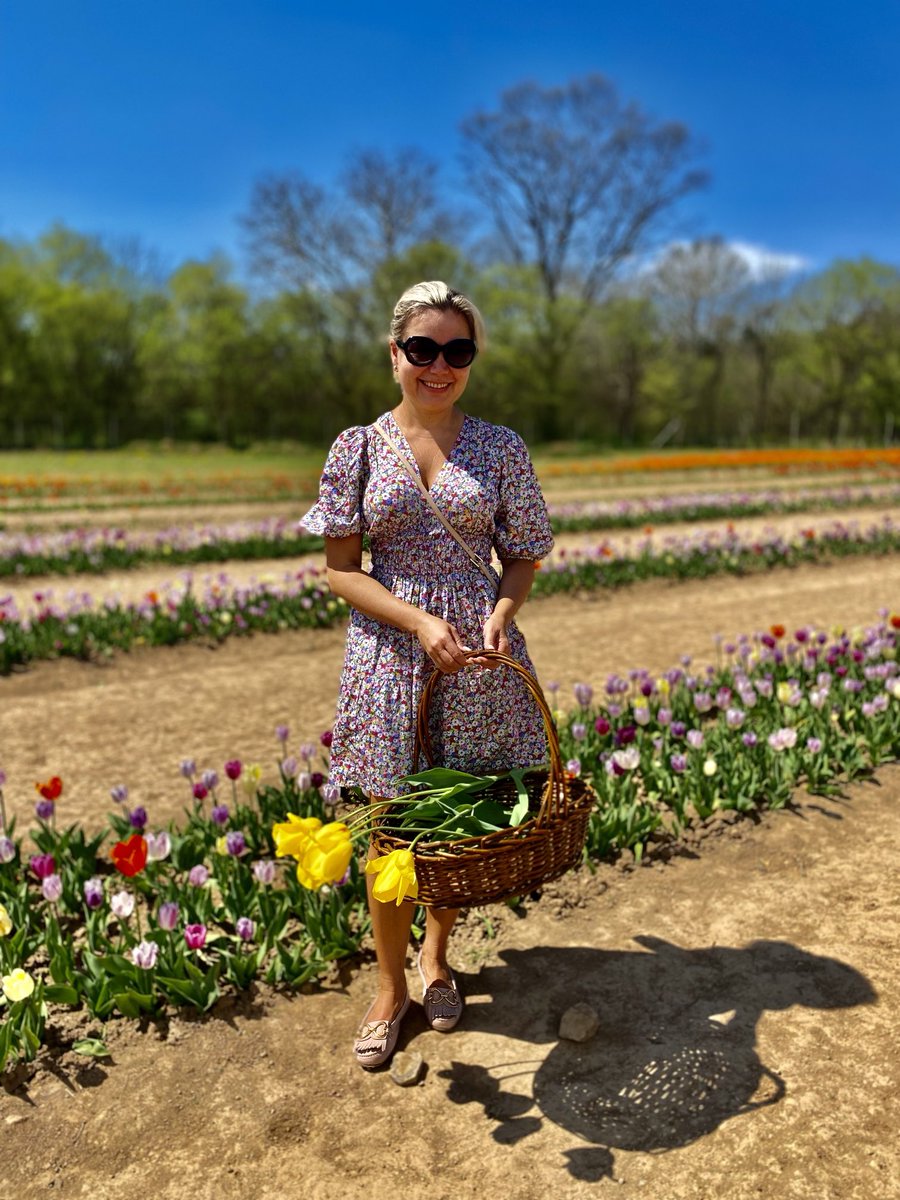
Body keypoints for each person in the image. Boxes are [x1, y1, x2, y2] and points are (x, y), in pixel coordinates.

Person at [300, 281, 554, 1068]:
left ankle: (436, 956)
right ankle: (388, 986)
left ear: (471, 359)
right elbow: (340, 570)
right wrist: (414, 619)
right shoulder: (358, 448)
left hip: (476, 651)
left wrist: (504, 613)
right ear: (395, 354)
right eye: (423, 349)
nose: (439, 365)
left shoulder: (501, 447)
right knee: (388, 828)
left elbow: (523, 554)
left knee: (456, 822)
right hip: (387, 652)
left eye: (458, 350)